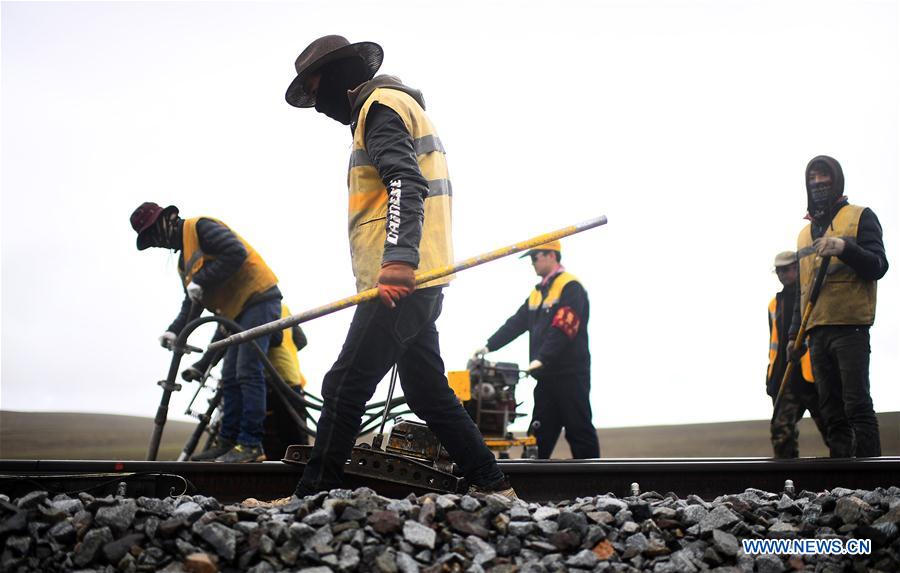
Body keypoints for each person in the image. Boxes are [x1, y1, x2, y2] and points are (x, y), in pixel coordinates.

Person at [283, 35, 514, 497]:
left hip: (402, 279)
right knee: (426, 388)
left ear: (338, 76)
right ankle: (493, 485)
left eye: (315, 88)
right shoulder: (396, 107)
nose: (317, 105)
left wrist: (398, 261)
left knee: (345, 384)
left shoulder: (380, 108)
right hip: (422, 276)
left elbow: (406, 182)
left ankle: (310, 497)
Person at [130, 202, 282, 463]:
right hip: (236, 313)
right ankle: (227, 443)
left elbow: (235, 252)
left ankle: (250, 444)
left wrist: (202, 280)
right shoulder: (183, 263)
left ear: (169, 219)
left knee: (247, 370)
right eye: (150, 241)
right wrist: (174, 331)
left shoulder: (200, 228)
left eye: (154, 235)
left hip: (258, 299)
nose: (157, 243)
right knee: (230, 376)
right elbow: (192, 302)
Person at [788, 155, 889, 458]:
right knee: (831, 411)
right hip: (817, 331)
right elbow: (801, 292)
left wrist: (845, 248)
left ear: (837, 182)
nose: (818, 184)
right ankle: (842, 477)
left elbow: (878, 265)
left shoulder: (860, 217)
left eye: (824, 179)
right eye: (813, 180)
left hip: (850, 326)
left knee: (856, 404)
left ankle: (872, 480)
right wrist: (795, 335)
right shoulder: (804, 233)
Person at [474, 240, 600, 459]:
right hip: (546, 376)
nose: (532, 263)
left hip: (570, 375)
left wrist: (542, 358)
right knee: (540, 433)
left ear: (551, 255)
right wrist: (488, 345)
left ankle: (596, 482)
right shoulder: (537, 293)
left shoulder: (570, 287)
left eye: (535, 257)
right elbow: (516, 323)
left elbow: (564, 327)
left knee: (578, 428)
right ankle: (530, 483)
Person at [182, 302, 310, 460]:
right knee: (294, 448)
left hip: (267, 378)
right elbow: (301, 340)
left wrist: (201, 366)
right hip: (290, 376)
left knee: (270, 443)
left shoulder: (241, 307)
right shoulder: (282, 307)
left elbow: (223, 340)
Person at [766, 250, 828, 458]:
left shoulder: (814, 295)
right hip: (786, 376)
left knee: (833, 427)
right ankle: (786, 480)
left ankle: (849, 476)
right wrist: (771, 377)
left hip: (815, 375)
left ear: (799, 268)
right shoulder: (774, 304)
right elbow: (774, 343)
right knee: (781, 430)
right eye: (779, 270)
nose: (783, 274)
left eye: (787, 269)